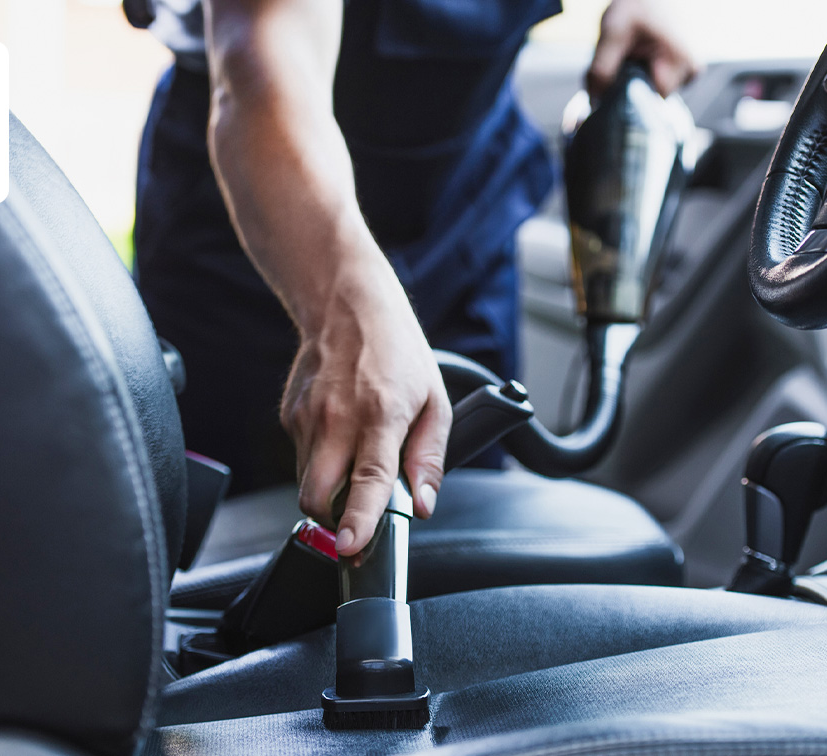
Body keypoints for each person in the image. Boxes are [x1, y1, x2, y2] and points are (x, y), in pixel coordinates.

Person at [131, 0, 695, 558]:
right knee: (215, 558)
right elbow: (264, 66)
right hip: (257, 221)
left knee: (458, 528)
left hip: (463, 198)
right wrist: (342, 307)